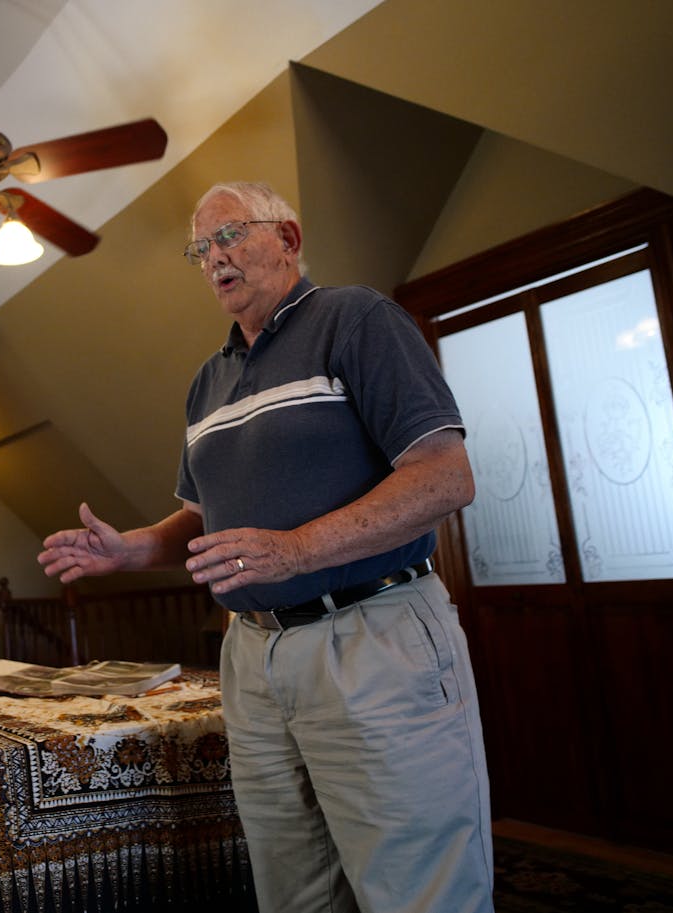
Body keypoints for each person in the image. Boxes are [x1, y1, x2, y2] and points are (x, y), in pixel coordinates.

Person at [39, 182, 493, 912]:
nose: (212, 257)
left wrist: (296, 550)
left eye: (229, 235)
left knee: (417, 888)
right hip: (252, 659)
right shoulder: (206, 383)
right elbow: (199, 518)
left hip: (371, 638)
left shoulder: (357, 318)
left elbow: (446, 476)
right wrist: (129, 550)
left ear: (288, 237)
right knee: (295, 891)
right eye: (200, 249)